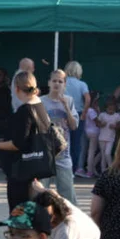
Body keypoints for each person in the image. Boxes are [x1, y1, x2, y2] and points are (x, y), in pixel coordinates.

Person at [0, 71, 47, 209]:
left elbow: (17, 144)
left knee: (20, 215)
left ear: (16, 88)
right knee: (32, 214)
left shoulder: (25, 111)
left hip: (22, 173)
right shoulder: (40, 107)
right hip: (36, 168)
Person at [40, 69, 78, 203]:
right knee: (40, 194)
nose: (57, 84)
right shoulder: (41, 102)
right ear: (49, 82)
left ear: (65, 84)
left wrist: (66, 108)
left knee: (68, 196)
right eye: (54, 81)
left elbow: (74, 126)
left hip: (63, 155)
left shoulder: (69, 100)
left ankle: (73, 222)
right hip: (45, 154)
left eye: (60, 81)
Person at [62, 61, 89, 175]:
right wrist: (84, 112)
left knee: (62, 141)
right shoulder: (82, 84)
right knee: (76, 142)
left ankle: (62, 167)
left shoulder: (63, 83)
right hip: (77, 113)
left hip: (63, 113)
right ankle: (73, 169)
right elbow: (87, 99)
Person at [96, 98, 120, 173]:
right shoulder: (102, 115)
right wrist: (101, 125)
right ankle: (103, 171)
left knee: (107, 153)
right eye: (109, 109)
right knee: (103, 155)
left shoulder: (117, 116)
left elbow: (119, 126)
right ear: (106, 108)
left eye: (112, 109)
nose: (110, 110)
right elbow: (97, 124)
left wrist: (114, 127)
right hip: (102, 137)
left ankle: (111, 168)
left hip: (110, 138)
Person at [82, 94, 101, 178]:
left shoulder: (86, 110)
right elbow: (98, 122)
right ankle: (90, 170)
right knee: (93, 151)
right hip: (94, 132)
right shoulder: (91, 111)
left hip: (87, 131)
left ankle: (90, 168)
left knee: (91, 151)